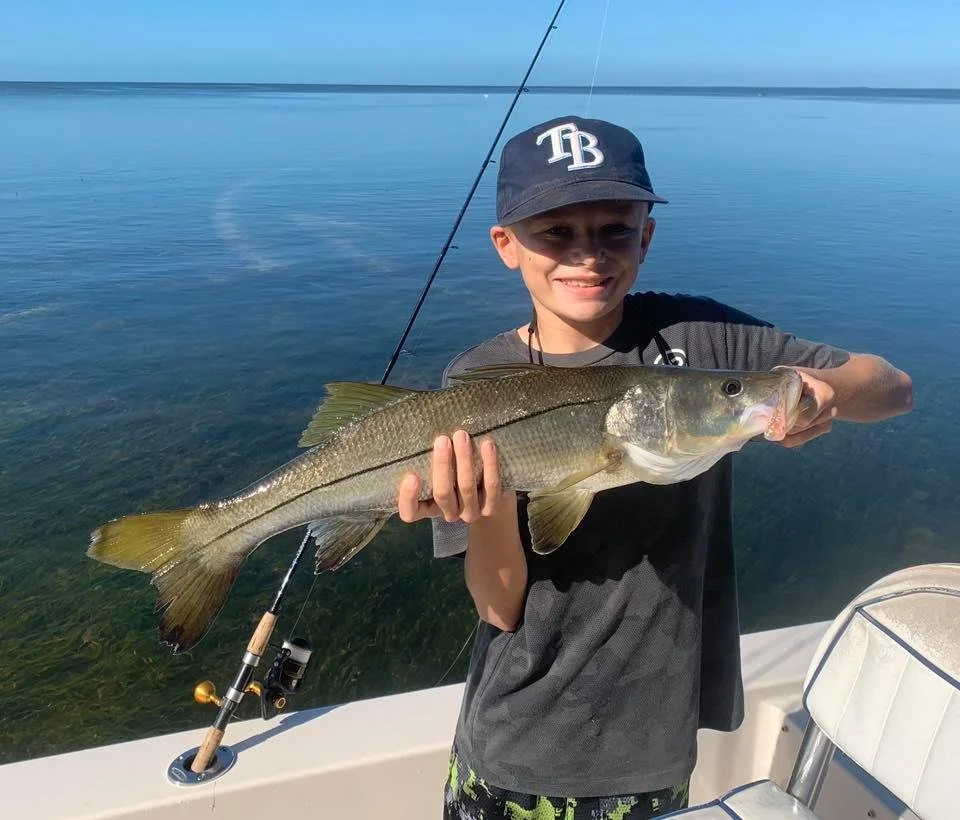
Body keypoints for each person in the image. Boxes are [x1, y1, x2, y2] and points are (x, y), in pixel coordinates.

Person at [396, 115, 913, 820]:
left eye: (614, 229)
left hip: (656, 747)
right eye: (556, 232)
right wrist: (484, 506)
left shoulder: (701, 342)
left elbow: (892, 385)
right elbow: (497, 605)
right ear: (507, 245)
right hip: (517, 747)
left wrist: (820, 389)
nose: (588, 255)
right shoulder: (480, 379)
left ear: (646, 235)